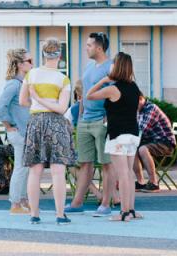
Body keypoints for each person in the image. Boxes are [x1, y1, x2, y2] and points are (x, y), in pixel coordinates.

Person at [20, 38, 76, 225]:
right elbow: (61, 108)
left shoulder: (31, 75)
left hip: (35, 122)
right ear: (59, 55)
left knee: (34, 171)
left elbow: (22, 101)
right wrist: (48, 103)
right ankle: (60, 214)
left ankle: (34, 214)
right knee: (58, 171)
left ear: (43, 54)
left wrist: (36, 99)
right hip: (56, 125)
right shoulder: (63, 79)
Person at [85, 52, 143, 222]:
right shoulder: (134, 87)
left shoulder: (112, 88)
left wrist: (103, 81)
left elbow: (89, 96)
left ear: (116, 67)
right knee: (129, 173)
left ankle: (124, 212)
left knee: (123, 173)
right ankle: (131, 210)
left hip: (117, 135)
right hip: (133, 134)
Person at [66, 32, 114, 216]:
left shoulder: (111, 67)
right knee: (85, 163)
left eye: (89, 45)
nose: (86, 48)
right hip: (85, 121)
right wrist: (82, 114)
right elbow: (84, 93)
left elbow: (115, 93)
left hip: (101, 121)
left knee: (106, 164)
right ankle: (77, 203)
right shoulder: (89, 66)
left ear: (99, 48)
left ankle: (106, 204)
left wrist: (109, 118)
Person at [0, 48, 33, 214]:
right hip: (19, 132)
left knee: (25, 166)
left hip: (23, 131)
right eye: (29, 61)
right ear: (19, 64)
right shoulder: (14, 84)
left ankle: (22, 199)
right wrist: (9, 125)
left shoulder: (22, 83)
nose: (32, 64)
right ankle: (15, 203)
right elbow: (0, 107)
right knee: (21, 167)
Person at [133, 96, 176, 191]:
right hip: (153, 142)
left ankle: (154, 182)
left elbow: (142, 129)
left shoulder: (151, 108)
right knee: (131, 149)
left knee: (142, 149)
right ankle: (141, 182)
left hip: (165, 143)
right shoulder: (139, 110)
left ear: (140, 99)